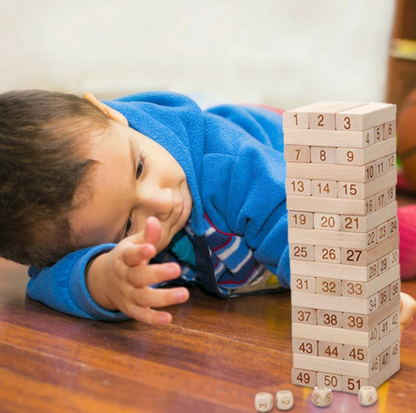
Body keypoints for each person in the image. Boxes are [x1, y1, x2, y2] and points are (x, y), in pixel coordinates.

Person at [0, 89, 415, 330]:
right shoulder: (89, 214)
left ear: (112, 116)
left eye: (140, 167)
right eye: (127, 224)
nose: (162, 202)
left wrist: (341, 287)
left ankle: (395, 173)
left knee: (383, 234)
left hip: (290, 161)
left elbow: (292, 215)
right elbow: (45, 279)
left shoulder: (224, 162)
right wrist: (99, 279)